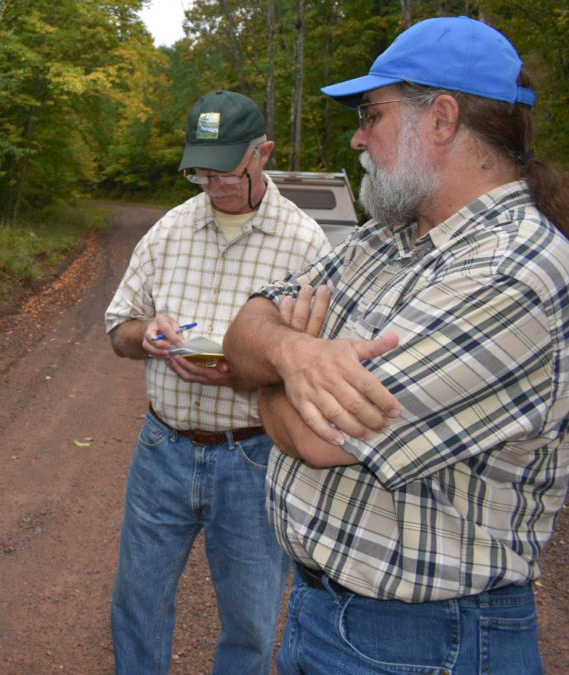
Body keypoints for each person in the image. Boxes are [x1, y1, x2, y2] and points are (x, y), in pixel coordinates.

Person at [222, 17, 569, 674]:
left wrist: (266, 374)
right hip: (327, 614)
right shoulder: (386, 239)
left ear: (441, 119)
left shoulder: (516, 271)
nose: (357, 136)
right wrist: (295, 356)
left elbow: (321, 438)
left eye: (371, 114)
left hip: (427, 642)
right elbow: (246, 327)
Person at [104, 90, 331, 674]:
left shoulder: (305, 244)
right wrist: (145, 335)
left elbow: (317, 364)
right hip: (163, 449)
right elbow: (118, 330)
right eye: (202, 168)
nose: (212, 181)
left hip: (255, 457)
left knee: (252, 623)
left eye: (226, 166)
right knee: (137, 604)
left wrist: (250, 375)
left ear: (264, 153)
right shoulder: (168, 231)